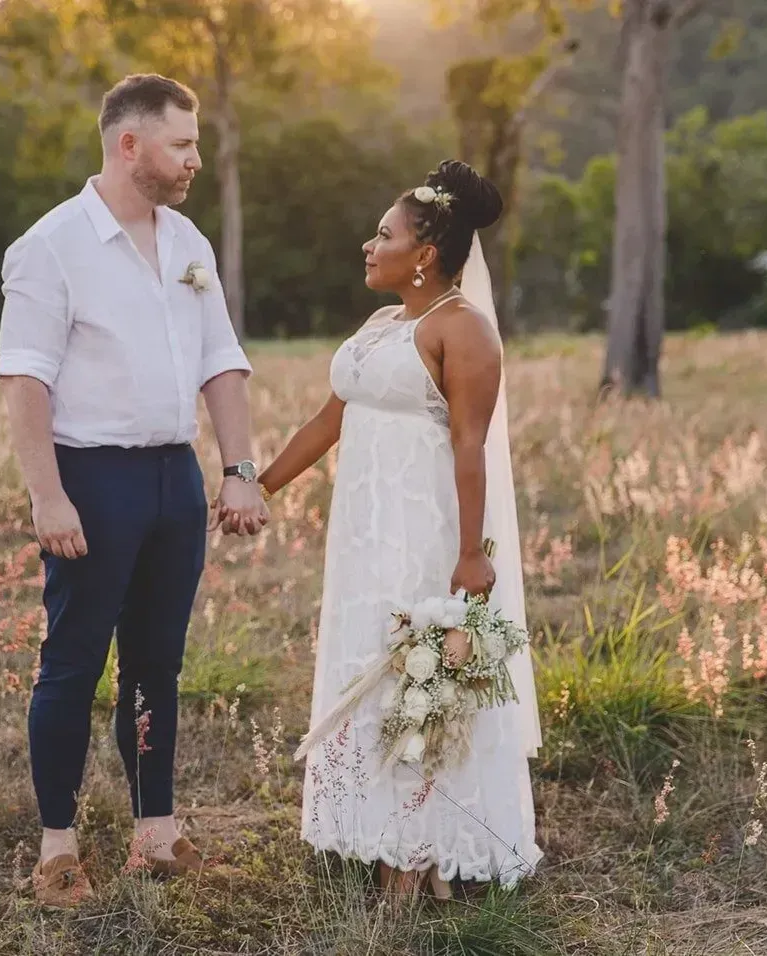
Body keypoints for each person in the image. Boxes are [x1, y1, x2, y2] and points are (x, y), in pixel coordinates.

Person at [0, 73, 268, 908]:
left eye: (195, 144)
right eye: (182, 145)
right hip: (92, 479)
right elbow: (25, 383)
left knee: (158, 663)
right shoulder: (51, 245)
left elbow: (222, 360)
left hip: (173, 480)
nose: (195, 159)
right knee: (72, 664)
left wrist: (238, 469)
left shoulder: (188, 240)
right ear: (130, 145)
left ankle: (155, 834)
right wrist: (49, 497)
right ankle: (56, 849)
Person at [258, 160, 543, 899]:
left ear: (423, 254)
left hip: (424, 527)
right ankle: (378, 830)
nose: (367, 244)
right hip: (361, 532)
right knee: (365, 661)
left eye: (383, 234)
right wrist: (257, 488)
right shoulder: (385, 322)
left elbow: (471, 446)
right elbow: (329, 420)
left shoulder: (465, 330)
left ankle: (414, 858)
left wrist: (470, 555)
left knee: (418, 670)